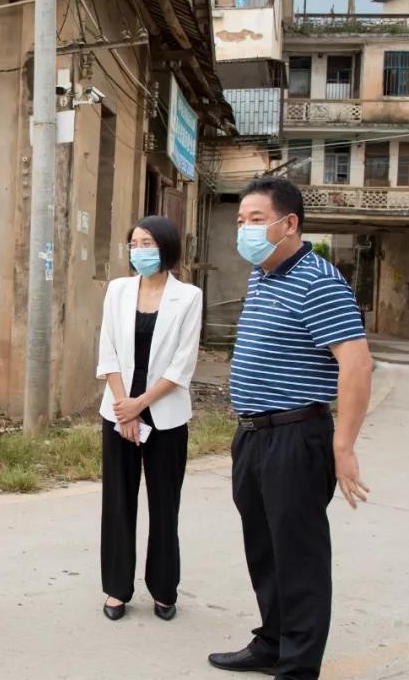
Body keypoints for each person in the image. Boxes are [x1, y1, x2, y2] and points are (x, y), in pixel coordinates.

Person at [208, 177, 372, 680]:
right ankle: (273, 641)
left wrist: (343, 445)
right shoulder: (263, 275)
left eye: (256, 220)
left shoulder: (319, 279)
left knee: (298, 554)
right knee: (264, 546)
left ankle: (298, 666)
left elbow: (357, 365)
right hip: (254, 434)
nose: (245, 230)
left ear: (289, 224)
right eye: (241, 221)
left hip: (297, 436)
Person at [95, 215, 203, 623]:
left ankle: (163, 589)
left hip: (166, 417)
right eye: (134, 243)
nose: (139, 251)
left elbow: (182, 365)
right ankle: (116, 589)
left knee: (164, 506)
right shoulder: (118, 290)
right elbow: (108, 351)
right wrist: (124, 405)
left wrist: (140, 405)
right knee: (118, 504)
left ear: (167, 248)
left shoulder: (189, 296)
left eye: (147, 243)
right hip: (118, 411)